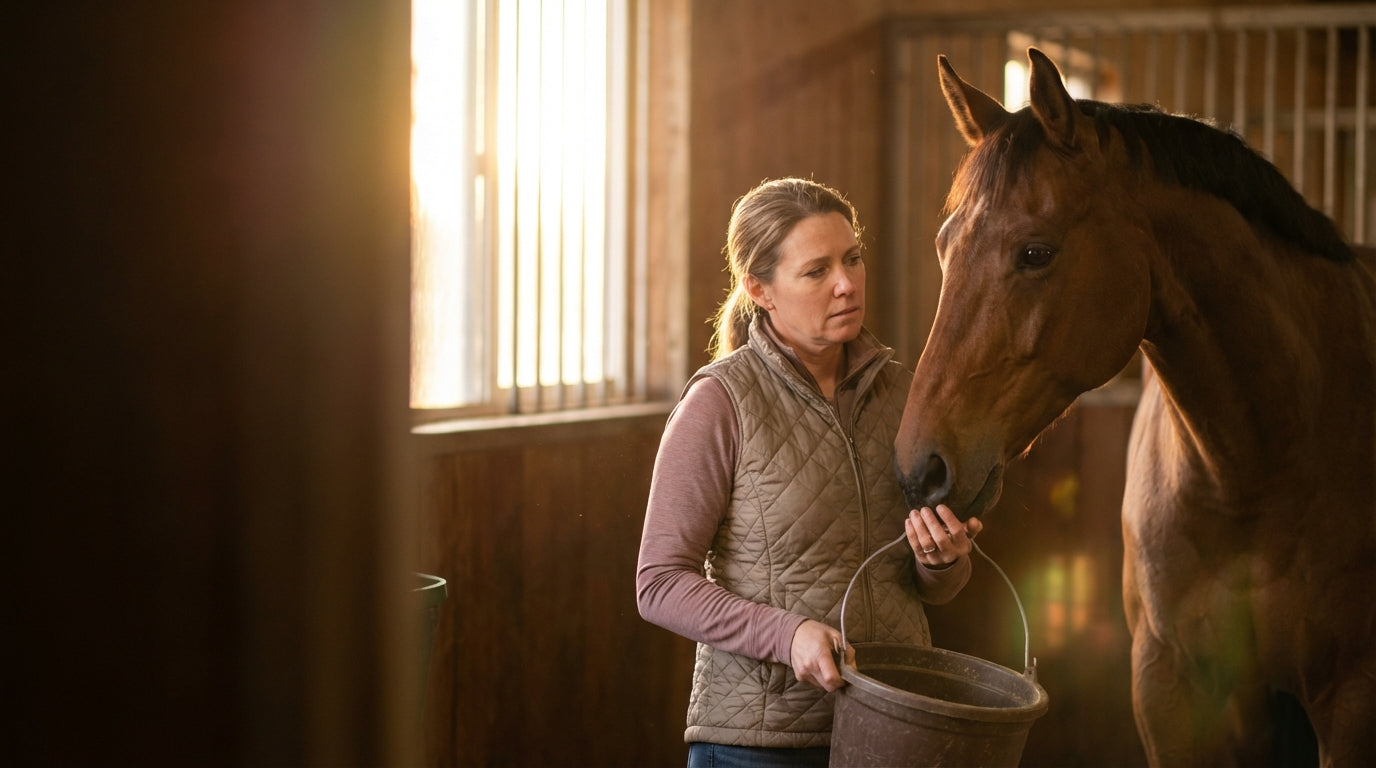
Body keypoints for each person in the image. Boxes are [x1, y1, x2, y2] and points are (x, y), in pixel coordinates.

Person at [635, 177, 984, 767]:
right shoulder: (721, 403)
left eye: (853, 259)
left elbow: (929, 589)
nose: (847, 284)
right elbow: (658, 584)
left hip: (894, 727)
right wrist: (788, 634)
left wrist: (942, 561)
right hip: (762, 745)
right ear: (760, 290)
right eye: (816, 271)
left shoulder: (904, 397)